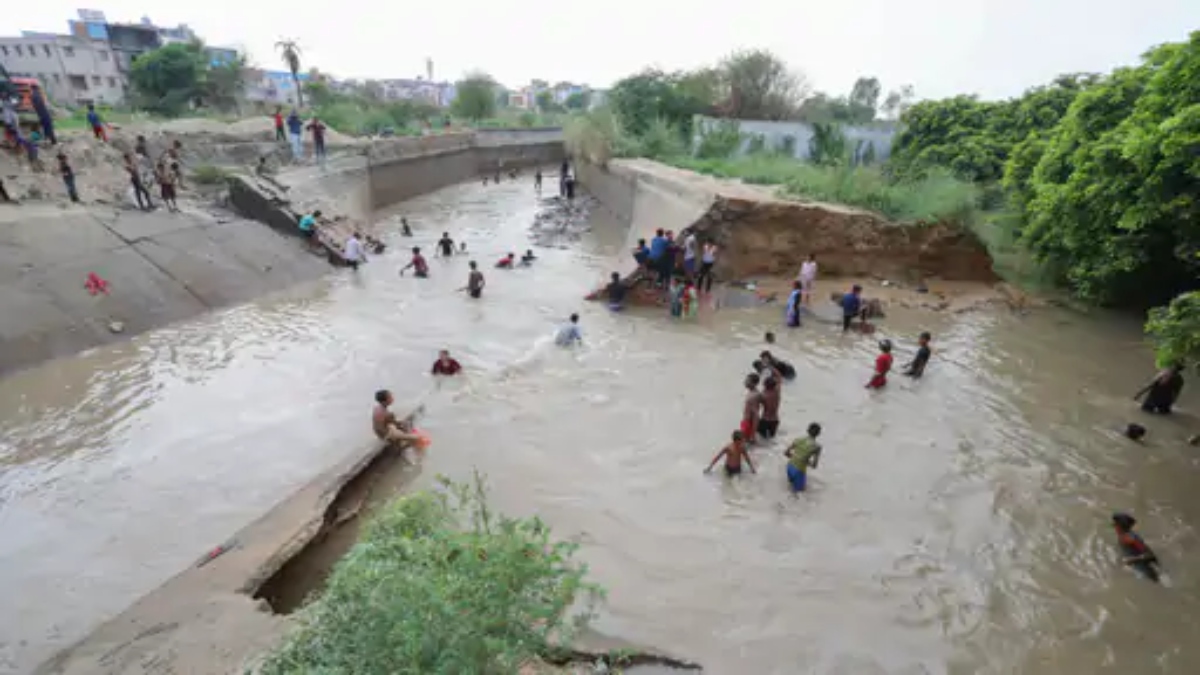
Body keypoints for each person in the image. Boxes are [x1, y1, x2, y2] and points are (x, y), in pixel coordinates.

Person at [1112, 512, 1160, 583]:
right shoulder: (1122, 536)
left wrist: (1131, 560)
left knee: (1155, 584)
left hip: (1146, 569)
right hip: (1136, 566)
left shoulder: (1131, 538)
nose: (1113, 526)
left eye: (1115, 524)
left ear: (1120, 526)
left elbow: (1149, 555)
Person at [784, 423, 823, 493]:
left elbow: (786, 453)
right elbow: (814, 465)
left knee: (789, 488)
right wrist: (806, 461)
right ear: (818, 434)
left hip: (790, 466)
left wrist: (796, 457)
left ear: (808, 430)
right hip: (799, 470)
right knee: (798, 495)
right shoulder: (817, 447)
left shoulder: (799, 439)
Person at [741, 373, 762, 444]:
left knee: (744, 444)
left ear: (753, 383)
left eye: (747, 381)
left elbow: (756, 415)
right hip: (746, 422)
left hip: (748, 424)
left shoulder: (754, 396)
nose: (745, 382)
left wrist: (753, 433)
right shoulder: (752, 393)